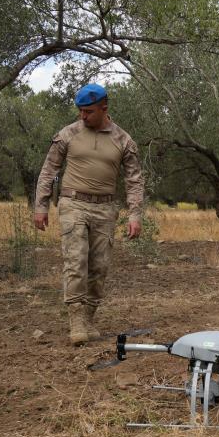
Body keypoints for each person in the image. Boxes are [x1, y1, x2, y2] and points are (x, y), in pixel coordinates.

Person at [33, 83, 144, 346]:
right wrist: (41, 206)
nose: (83, 116)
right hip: (73, 205)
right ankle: (76, 321)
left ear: (104, 108)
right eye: (80, 111)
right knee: (76, 261)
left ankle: (88, 317)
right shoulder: (68, 134)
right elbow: (49, 170)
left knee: (99, 267)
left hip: (105, 208)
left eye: (89, 112)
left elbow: (134, 180)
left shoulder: (124, 141)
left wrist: (135, 214)